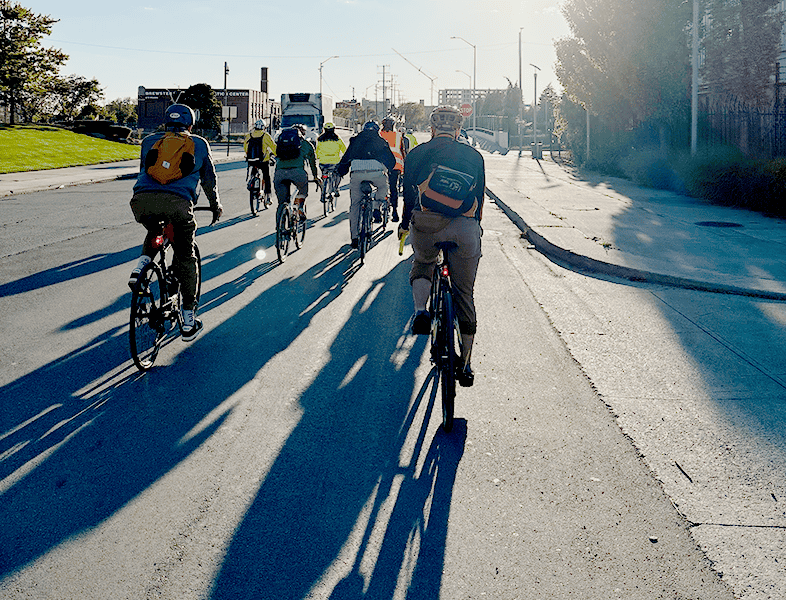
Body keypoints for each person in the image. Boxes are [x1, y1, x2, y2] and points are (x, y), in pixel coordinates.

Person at [397, 105, 485, 387]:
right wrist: (475, 225)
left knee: (423, 262)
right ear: (458, 130)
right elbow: (480, 199)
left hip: (427, 224)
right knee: (464, 293)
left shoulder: (418, 153)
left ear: (433, 129)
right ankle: (467, 363)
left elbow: (408, 195)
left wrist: (403, 222)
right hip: (464, 228)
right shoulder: (474, 155)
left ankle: (421, 311)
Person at [129, 103, 223, 342]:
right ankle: (189, 318)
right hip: (179, 205)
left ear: (166, 122)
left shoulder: (149, 141)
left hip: (142, 201)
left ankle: (141, 267)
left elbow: (144, 170)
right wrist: (215, 204)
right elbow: (209, 181)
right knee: (186, 256)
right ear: (190, 124)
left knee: (155, 230)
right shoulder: (199, 144)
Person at [336, 121, 396, 249]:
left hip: (356, 172)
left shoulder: (355, 140)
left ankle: (354, 237)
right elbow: (391, 160)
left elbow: (346, 158)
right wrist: (390, 168)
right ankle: (375, 206)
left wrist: (341, 171)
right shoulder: (381, 140)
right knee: (383, 187)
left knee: (355, 205)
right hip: (376, 172)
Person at [273, 124, 318, 218]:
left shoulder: (282, 143)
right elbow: (312, 163)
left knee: (282, 202)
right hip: (298, 173)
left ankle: (280, 225)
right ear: (302, 133)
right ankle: (299, 207)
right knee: (303, 191)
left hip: (279, 173)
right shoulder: (306, 144)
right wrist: (315, 176)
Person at [379, 116, 407, 222]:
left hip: (382, 164)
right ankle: (395, 212)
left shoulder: (379, 135)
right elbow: (403, 151)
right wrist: (405, 166)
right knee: (393, 188)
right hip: (396, 165)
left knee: (379, 185)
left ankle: (377, 207)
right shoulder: (398, 135)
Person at [244, 118, 276, 207]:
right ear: (264, 128)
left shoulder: (249, 135)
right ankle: (268, 196)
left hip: (252, 160)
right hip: (263, 161)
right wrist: (276, 154)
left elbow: (245, 147)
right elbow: (273, 147)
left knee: (254, 172)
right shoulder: (265, 135)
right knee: (266, 177)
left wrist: (248, 155)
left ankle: (252, 182)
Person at [315, 122, 347, 197]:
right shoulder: (337, 139)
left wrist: (320, 157)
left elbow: (317, 151)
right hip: (334, 162)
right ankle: (335, 188)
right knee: (338, 174)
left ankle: (323, 191)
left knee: (324, 174)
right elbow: (345, 150)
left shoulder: (320, 139)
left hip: (323, 162)